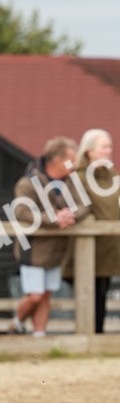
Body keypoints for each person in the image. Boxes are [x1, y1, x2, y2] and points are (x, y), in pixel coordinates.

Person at [9, 137, 88, 336]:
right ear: (57, 160)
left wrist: (71, 215)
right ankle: (17, 322)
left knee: (45, 295)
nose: (74, 164)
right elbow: (22, 212)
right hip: (33, 249)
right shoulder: (28, 182)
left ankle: (39, 336)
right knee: (34, 296)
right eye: (70, 159)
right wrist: (53, 218)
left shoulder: (71, 181)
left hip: (56, 250)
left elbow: (84, 206)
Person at [61, 130, 120, 333]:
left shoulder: (114, 178)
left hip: (110, 248)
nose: (109, 151)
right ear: (89, 151)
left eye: (110, 146)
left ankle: (98, 337)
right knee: (89, 294)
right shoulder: (78, 178)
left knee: (102, 294)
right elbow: (78, 208)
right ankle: (88, 337)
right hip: (87, 249)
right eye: (104, 147)